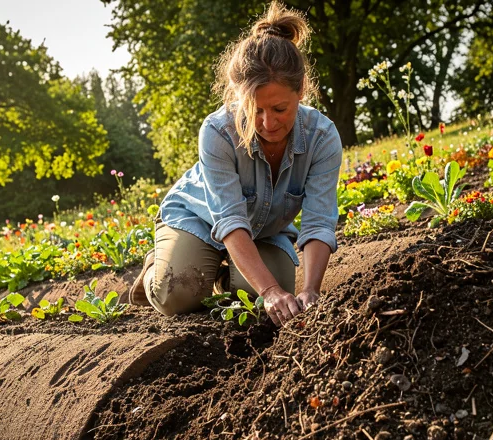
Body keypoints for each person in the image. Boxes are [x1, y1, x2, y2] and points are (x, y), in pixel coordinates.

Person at [129, 2, 341, 327]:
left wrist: (311, 290)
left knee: (262, 302)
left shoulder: (322, 138)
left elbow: (318, 222)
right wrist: (269, 289)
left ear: (300, 90)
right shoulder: (218, 132)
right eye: (255, 110)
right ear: (239, 97)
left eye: (280, 109)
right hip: (198, 218)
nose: (267, 123)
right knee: (177, 292)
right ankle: (155, 271)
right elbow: (229, 219)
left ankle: (223, 274)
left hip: (264, 232)